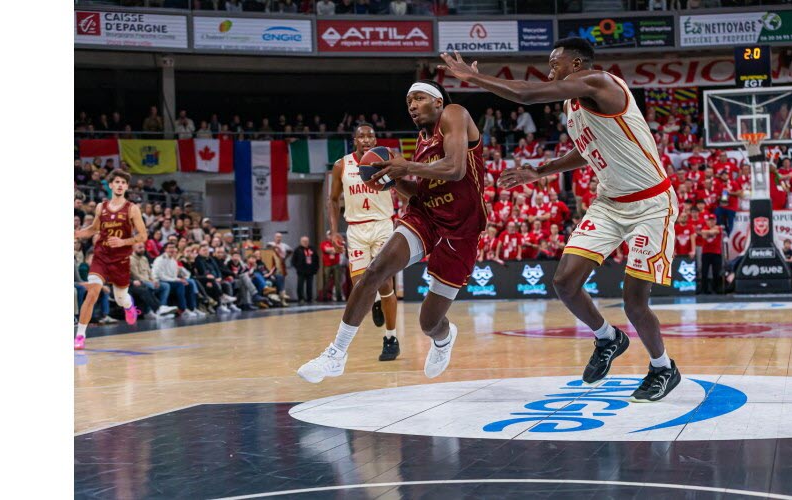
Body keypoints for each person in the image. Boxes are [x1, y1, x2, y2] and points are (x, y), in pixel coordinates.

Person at [442, 39, 681, 402]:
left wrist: (474, 78)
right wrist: (539, 171)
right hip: (610, 203)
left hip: (651, 204)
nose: (550, 68)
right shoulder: (574, 105)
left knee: (634, 302)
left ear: (577, 64)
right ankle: (607, 338)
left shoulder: (601, 83)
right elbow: (586, 149)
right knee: (565, 282)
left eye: (556, 62)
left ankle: (663, 367)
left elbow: (527, 94)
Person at [298, 79, 485, 383]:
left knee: (429, 322)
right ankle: (336, 354)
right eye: (408, 101)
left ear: (437, 101)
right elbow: (418, 194)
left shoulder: (453, 113)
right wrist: (391, 180)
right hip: (426, 216)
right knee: (375, 271)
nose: (411, 105)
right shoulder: (422, 142)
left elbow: (455, 169)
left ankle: (443, 338)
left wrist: (404, 166)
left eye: (419, 98)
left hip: (461, 229)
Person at [327, 123, 400, 361]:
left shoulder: (386, 159)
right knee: (360, 287)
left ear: (376, 139)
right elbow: (333, 199)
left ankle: (391, 337)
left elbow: (403, 184)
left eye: (371, 136)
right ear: (355, 140)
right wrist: (334, 231)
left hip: (382, 224)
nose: (367, 139)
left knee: (386, 282)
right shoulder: (341, 165)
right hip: (356, 229)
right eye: (362, 136)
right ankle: (376, 299)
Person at [72, 170, 147, 349]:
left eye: (123, 182)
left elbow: (143, 236)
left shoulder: (132, 208)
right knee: (92, 293)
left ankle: (129, 306)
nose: (120, 185)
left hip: (120, 260)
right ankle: (80, 335)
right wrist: (77, 233)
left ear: (127, 186)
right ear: (111, 185)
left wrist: (124, 241)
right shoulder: (101, 207)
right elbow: (93, 229)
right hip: (101, 257)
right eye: (117, 182)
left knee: (121, 298)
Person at [697, 218, 723, 294]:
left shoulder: (718, 228)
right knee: (704, 272)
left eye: (713, 220)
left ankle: (716, 289)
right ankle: (704, 289)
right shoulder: (705, 227)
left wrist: (704, 232)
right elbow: (704, 236)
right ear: (707, 221)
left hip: (716, 253)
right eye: (710, 220)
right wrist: (709, 232)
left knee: (716, 272)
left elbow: (716, 231)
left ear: (715, 221)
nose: (711, 222)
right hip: (706, 253)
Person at [292, 236, 319, 304]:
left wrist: (316, 269)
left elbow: (316, 259)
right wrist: (298, 267)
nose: (305, 243)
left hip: (310, 270)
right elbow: (293, 260)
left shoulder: (312, 249)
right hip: (301, 271)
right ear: (301, 242)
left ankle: (309, 298)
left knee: (309, 285)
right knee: (300, 285)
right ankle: (300, 298)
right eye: (304, 241)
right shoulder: (297, 250)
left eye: (306, 241)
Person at [320, 231, 343, 302]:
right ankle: (325, 297)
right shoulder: (324, 243)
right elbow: (325, 249)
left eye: (331, 235)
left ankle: (339, 297)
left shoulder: (337, 243)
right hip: (327, 264)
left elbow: (340, 249)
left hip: (336, 264)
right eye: (329, 235)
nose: (330, 236)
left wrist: (331, 250)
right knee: (326, 281)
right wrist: (334, 250)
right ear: (327, 236)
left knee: (337, 281)